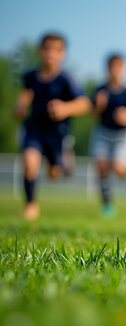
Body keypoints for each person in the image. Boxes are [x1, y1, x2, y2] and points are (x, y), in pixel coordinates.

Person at [14, 32, 91, 220]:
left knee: (54, 174)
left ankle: (63, 161)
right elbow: (26, 93)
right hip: (34, 129)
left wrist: (66, 108)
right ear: (40, 51)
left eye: (56, 50)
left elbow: (85, 104)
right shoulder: (31, 76)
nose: (51, 54)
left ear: (63, 54)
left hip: (57, 133)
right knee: (30, 164)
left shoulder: (66, 79)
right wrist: (21, 106)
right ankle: (30, 205)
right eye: (47, 49)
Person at [90, 53, 126, 218]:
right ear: (107, 69)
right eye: (112, 67)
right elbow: (92, 114)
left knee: (119, 169)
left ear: (124, 69)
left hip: (123, 134)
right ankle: (107, 205)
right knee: (101, 166)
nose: (115, 70)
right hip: (102, 132)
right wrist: (99, 107)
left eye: (119, 67)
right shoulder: (100, 90)